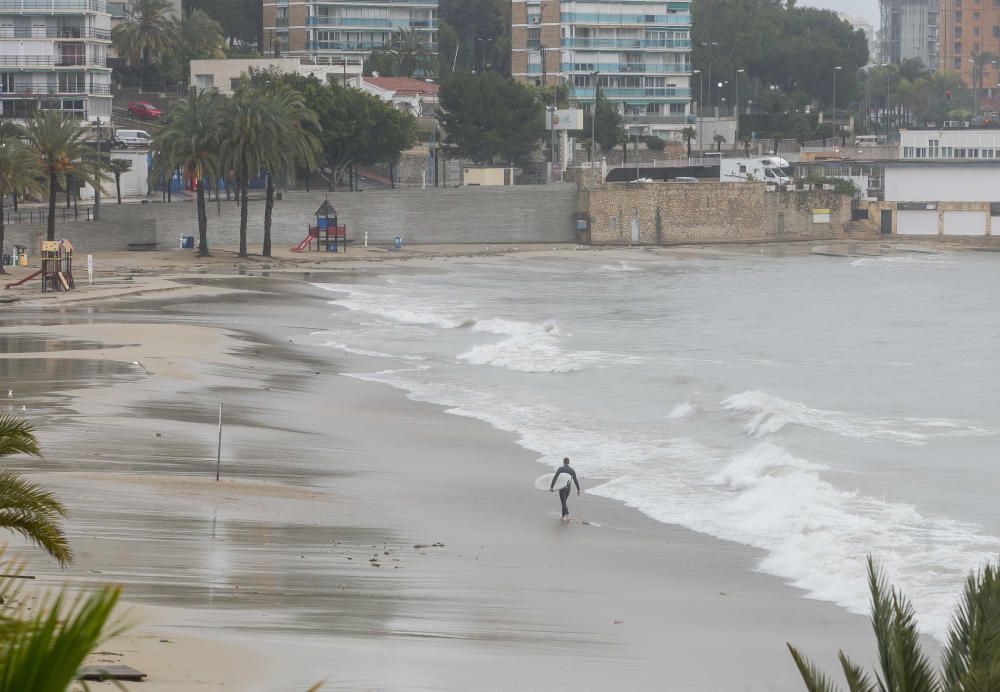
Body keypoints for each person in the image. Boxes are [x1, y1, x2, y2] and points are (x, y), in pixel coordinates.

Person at [549, 457, 581, 522]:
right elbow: (575, 480)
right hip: (568, 489)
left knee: (563, 503)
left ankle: (568, 515)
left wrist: (552, 486)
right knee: (564, 502)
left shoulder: (560, 469)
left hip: (562, 488)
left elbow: (555, 477)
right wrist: (578, 489)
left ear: (563, 462)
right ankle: (563, 516)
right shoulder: (572, 470)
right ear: (569, 462)